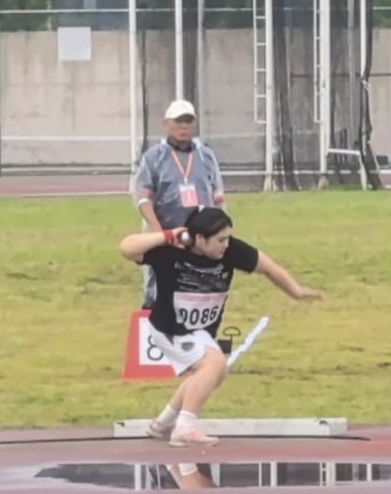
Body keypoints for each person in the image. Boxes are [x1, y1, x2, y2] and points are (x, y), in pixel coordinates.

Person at [119, 206, 322, 447]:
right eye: (220, 240)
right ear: (200, 239)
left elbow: (269, 267)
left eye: (227, 238)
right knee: (213, 364)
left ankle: (163, 423)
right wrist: (169, 235)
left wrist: (296, 291)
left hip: (198, 332)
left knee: (215, 372)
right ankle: (184, 427)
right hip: (169, 330)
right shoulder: (170, 252)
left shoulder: (230, 251)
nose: (226, 245)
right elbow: (127, 248)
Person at [133, 99, 225, 307]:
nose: (183, 126)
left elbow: (217, 195)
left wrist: (216, 231)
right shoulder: (154, 157)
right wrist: (159, 234)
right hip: (168, 234)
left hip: (199, 237)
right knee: (160, 286)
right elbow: (143, 197)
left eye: (188, 121)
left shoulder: (205, 156)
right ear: (166, 123)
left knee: (199, 285)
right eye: (178, 121)